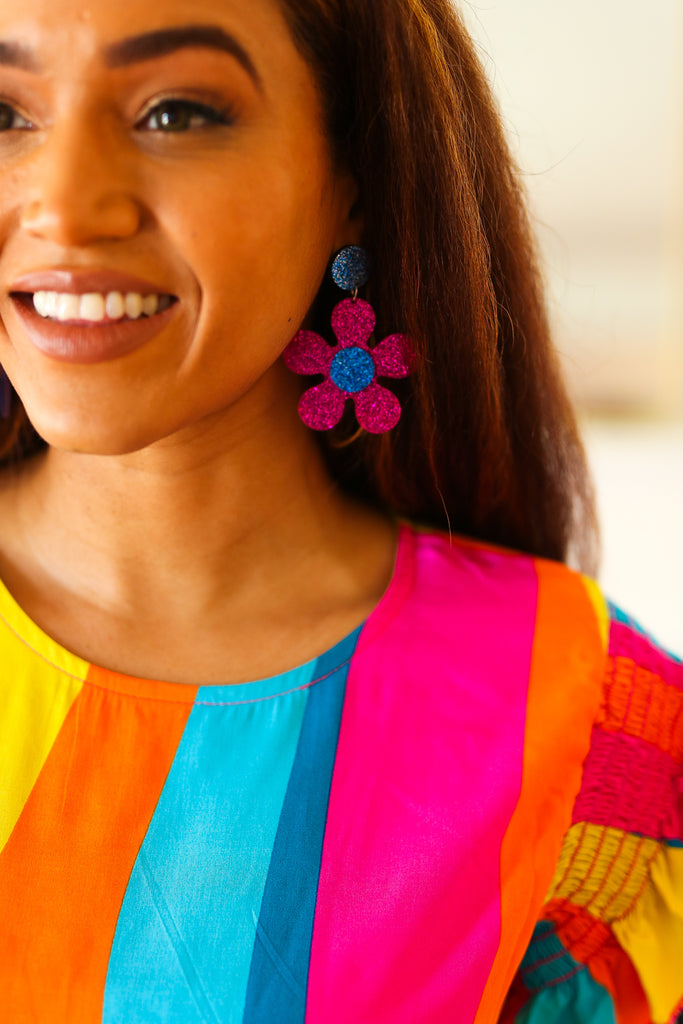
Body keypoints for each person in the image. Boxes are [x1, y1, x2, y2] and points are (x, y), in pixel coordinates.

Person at [0, 0, 679, 1020]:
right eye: (4, 115)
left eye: (176, 112)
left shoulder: (587, 729)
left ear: (354, 180)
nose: (66, 207)